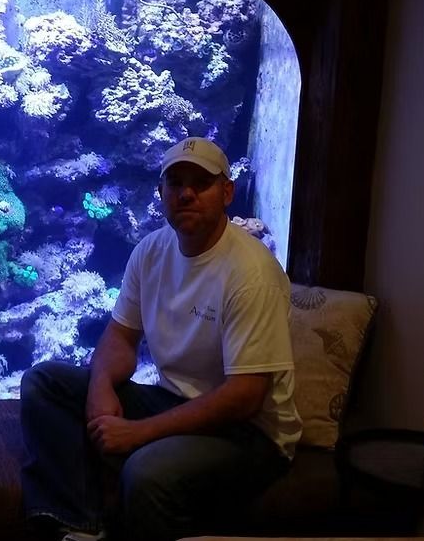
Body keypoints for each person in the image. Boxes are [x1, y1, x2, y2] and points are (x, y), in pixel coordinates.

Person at [20, 136, 301, 541]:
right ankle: (78, 525)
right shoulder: (151, 252)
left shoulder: (251, 274)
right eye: (175, 183)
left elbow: (245, 396)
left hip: (251, 435)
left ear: (226, 192)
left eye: (200, 183)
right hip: (175, 400)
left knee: (146, 473)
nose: (186, 193)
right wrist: (100, 387)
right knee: (44, 383)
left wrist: (138, 433)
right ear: (161, 193)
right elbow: (120, 336)